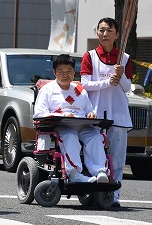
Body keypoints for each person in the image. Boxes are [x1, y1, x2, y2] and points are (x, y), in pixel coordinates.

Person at [80, 17, 133, 207]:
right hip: (96, 115)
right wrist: (107, 81)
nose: (104, 34)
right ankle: (93, 191)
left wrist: (122, 75)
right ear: (97, 33)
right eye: (101, 30)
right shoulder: (90, 56)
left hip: (118, 115)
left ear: (117, 34)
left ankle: (115, 195)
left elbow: (127, 88)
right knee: (97, 156)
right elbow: (85, 84)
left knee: (117, 159)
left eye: (109, 31)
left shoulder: (124, 58)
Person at [33, 54, 109, 184]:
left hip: (82, 124)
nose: (65, 75)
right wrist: (62, 116)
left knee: (95, 136)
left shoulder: (80, 90)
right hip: (60, 126)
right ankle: (74, 173)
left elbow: (89, 110)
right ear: (54, 73)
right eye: (61, 71)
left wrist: (91, 114)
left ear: (74, 72)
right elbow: (39, 113)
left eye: (69, 71)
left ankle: (100, 172)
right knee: (70, 136)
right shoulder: (47, 90)